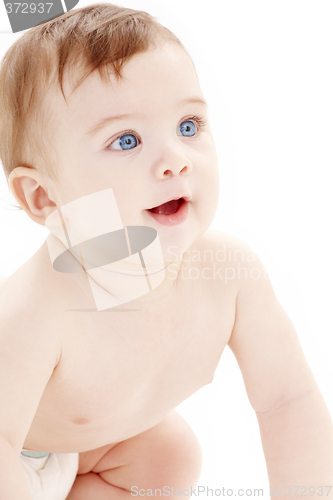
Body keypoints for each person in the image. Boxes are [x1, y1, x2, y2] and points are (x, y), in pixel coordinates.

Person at [0, 3, 332, 499]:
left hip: (89, 446)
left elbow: (287, 400)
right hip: (12, 459)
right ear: (44, 198)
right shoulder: (36, 311)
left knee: (171, 455)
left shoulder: (231, 276)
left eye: (188, 125)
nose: (175, 161)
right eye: (127, 140)